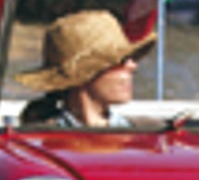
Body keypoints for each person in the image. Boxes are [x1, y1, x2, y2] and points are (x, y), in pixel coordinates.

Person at [16, 10, 155, 128]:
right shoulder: (39, 137)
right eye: (121, 61)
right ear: (84, 75)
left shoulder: (149, 133)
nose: (132, 66)